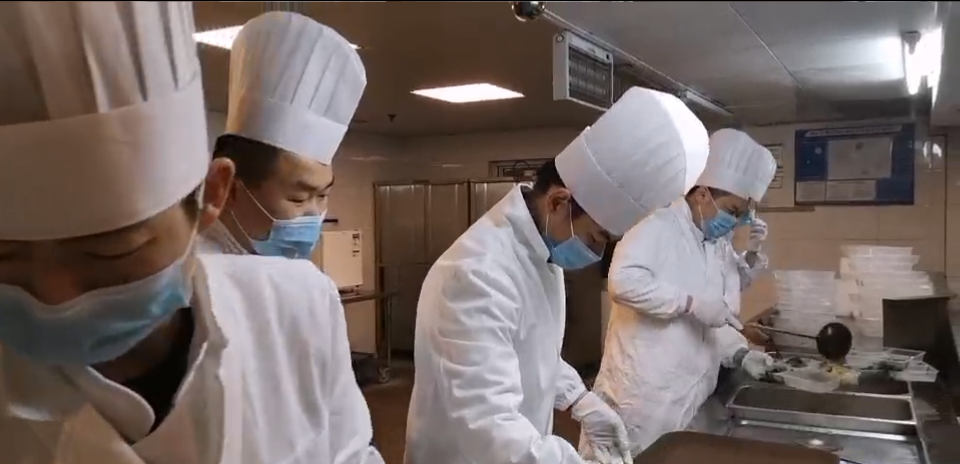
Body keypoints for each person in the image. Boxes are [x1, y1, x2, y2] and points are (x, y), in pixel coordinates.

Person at [0, 3, 382, 463]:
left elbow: (350, 452)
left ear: (211, 195)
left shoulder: (295, 306)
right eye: (6, 258)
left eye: (110, 250)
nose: (54, 299)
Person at [404, 87, 711, 464]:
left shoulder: (539, 254)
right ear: (558, 202)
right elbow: (486, 426)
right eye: (597, 237)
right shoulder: (476, 274)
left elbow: (532, 352)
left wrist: (579, 399)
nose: (596, 253)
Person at [589, 128, 777, 456]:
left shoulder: (714, 241)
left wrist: (740, 353)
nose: (735, 222)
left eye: (741, 215)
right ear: (702, 194)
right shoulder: (657, 226)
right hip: (641, 399)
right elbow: (623, 281)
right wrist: (688, 303)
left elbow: (719, 313)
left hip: (689, 396)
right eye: (733, 211)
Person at [199, 11, 366, 258]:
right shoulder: (187, 275)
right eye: (298, 199)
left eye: (322, 196)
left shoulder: (298, 276)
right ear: (228, 188)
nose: (314, 217)